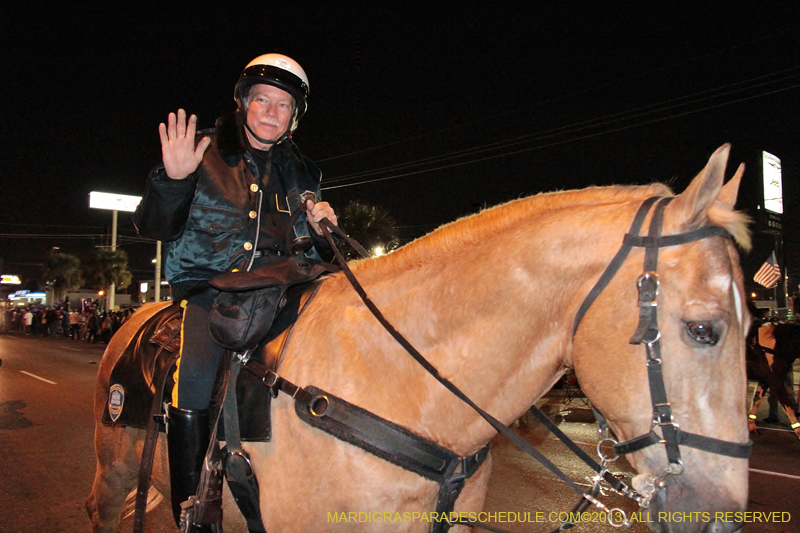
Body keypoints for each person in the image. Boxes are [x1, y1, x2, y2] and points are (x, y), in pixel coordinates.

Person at [133, 53, 337, 530]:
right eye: (262, 99)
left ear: (293, 117)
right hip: (213, 294)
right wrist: (173, 181)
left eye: (283, 105)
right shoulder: (201, 151)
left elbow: (313, 252)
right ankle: (194, 508)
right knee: (196, 377)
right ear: (244, 103)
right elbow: (154, 226)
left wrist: (324, 233)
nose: (271, 111)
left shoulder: (305, 173)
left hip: (284, 292)